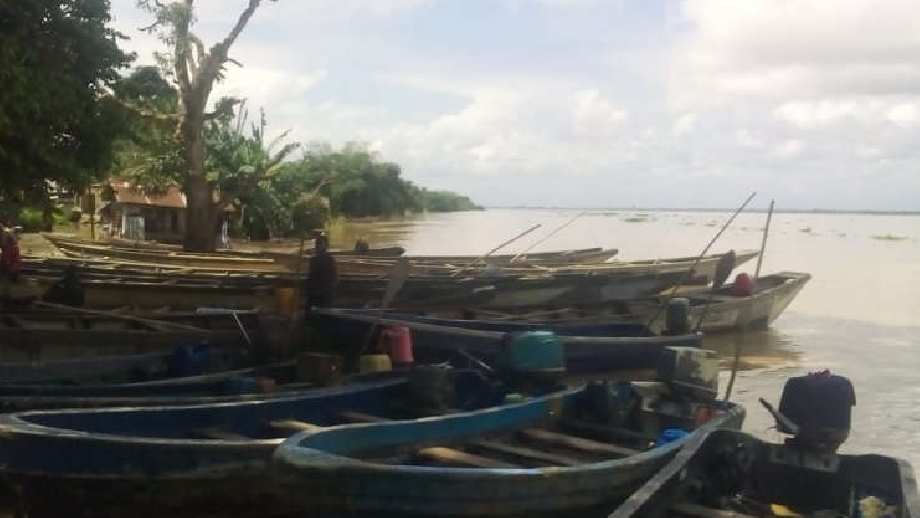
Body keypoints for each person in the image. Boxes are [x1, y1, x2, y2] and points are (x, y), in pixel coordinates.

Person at [304, 233, 337, 313]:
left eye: (320, 244)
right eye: (317, 243)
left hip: (325, 296)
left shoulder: (330, 261)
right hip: (314, 294)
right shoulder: (313, 260)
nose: (318, 246)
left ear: (326, 246)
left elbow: (335, 280)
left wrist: (325, 290)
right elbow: (311, 277)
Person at [0, 230, 22, 309]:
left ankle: (8, 303)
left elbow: (14, 260)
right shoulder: (6, 247)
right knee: (6, 287)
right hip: (7, 269)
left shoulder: (12, 248)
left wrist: (9, 266)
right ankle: (6, 302)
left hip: (10, 270)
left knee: (8, 287)